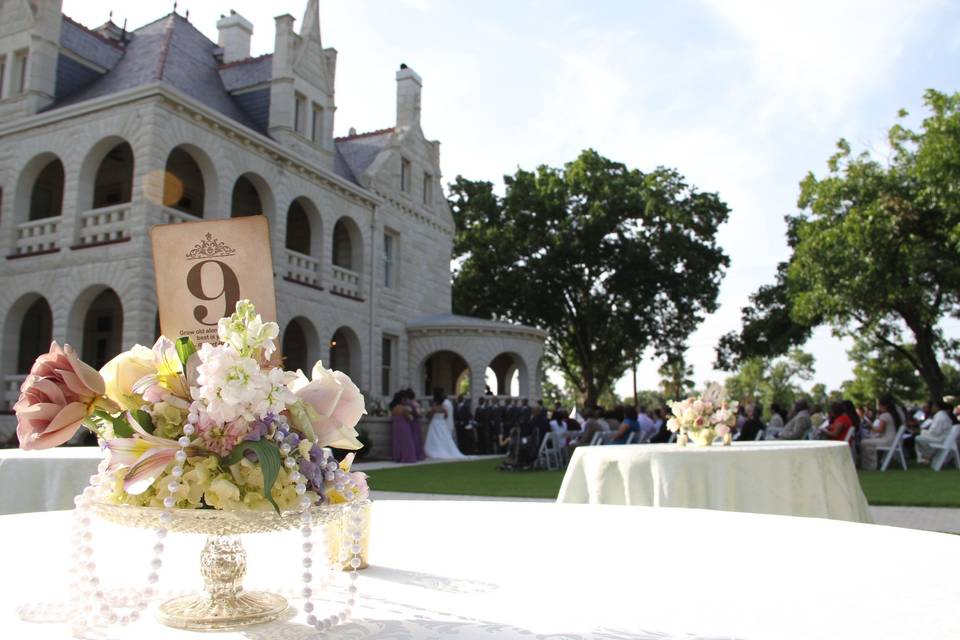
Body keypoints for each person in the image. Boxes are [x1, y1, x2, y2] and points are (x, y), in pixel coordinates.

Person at [424, 387, 466, 459]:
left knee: (435, 438)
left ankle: (435, 450)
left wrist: (430, 414)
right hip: (442, 423)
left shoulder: (435, 408)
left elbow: (428, 416)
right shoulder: (444, 408)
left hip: (435, 423)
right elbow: (446, 416)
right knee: (443, 438)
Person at [860, 395, 900, 470]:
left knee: (864, 442)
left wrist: (871, 426)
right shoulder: (892, 415)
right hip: (891, 440)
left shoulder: (884, 416)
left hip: (887, 441)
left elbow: (880, 430)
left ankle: (871, 465)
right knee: (868, 441)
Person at [916, 399, 955, 464]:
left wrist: (924, 432)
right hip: (942, 438)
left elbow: (935, 432)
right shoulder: (941, 415)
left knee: (918, 438)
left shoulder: (940, 416)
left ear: (937, 407)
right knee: (920, 436)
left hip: (940, 439)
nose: (932, 408)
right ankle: (927, 456)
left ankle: (928, 456)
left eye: (934, 406)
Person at [390, 391, 419, 463]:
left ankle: (398, 457)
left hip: (396, 426)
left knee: (398, 441)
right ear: (401, 400)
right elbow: (408, 417)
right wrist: (411, 416)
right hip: (404, 426)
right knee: (406, 442)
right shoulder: (404, 408)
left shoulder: (394, 408)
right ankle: (407, 457)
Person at [402, 389, 425, 461]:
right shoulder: (413, 403)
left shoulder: (406, 403)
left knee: (413, 437)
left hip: (410, 421)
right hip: (414, 422)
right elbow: (417, 413)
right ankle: (417, 454)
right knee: (416, 437)